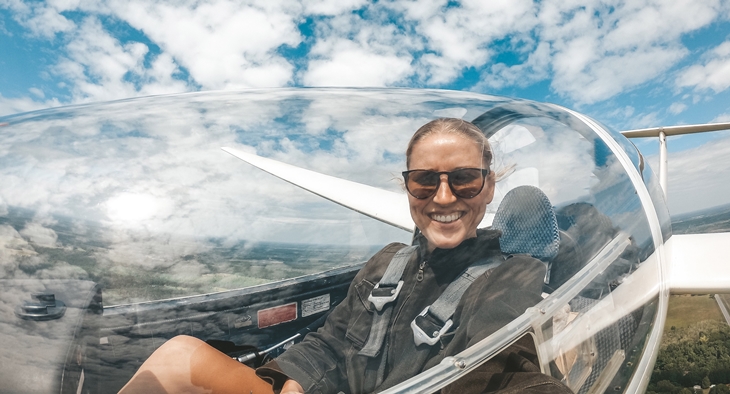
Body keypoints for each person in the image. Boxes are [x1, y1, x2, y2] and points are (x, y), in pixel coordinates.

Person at [118, 118, 569, 394]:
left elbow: (511, 373)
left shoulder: (511, 274)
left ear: (489, 186)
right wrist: (288, 380)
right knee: (180, 356)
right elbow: (331, 343)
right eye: (425, 181)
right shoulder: (388, 262)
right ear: (408, 187)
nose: (444, 196)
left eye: (465, 178)